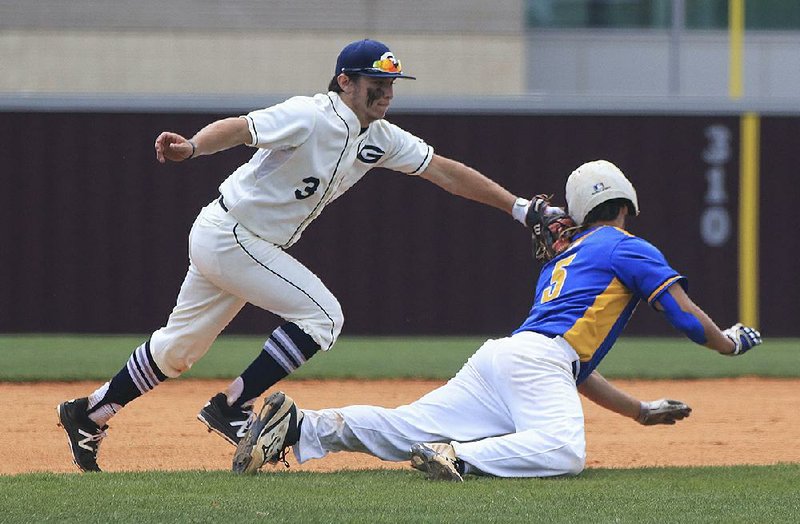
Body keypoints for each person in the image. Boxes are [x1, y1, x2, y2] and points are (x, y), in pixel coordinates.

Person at [56, 39, 547, 473]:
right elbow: (242, 128)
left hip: (238, 240)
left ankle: (89, 413)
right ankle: (233, 405)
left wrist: (520, 209)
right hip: (233, 234)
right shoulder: (312, 114)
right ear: (345, 82)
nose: (388, 92)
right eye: (377, 81)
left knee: (177, 350)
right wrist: (193, 147)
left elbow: (446, 172)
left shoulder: (379, 137)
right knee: (323, 315)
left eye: (393, 82)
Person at [231, 159, 762, 480]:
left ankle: (301, 426)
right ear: (628, 205)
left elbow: (570, 367)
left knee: (405, 426)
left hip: (505, 358)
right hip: (535, 362)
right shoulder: (628, 245)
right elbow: (688, 319)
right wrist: (729, 343)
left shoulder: (565, 261)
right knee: (563, 452)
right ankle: (459, 457)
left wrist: (639, 411)